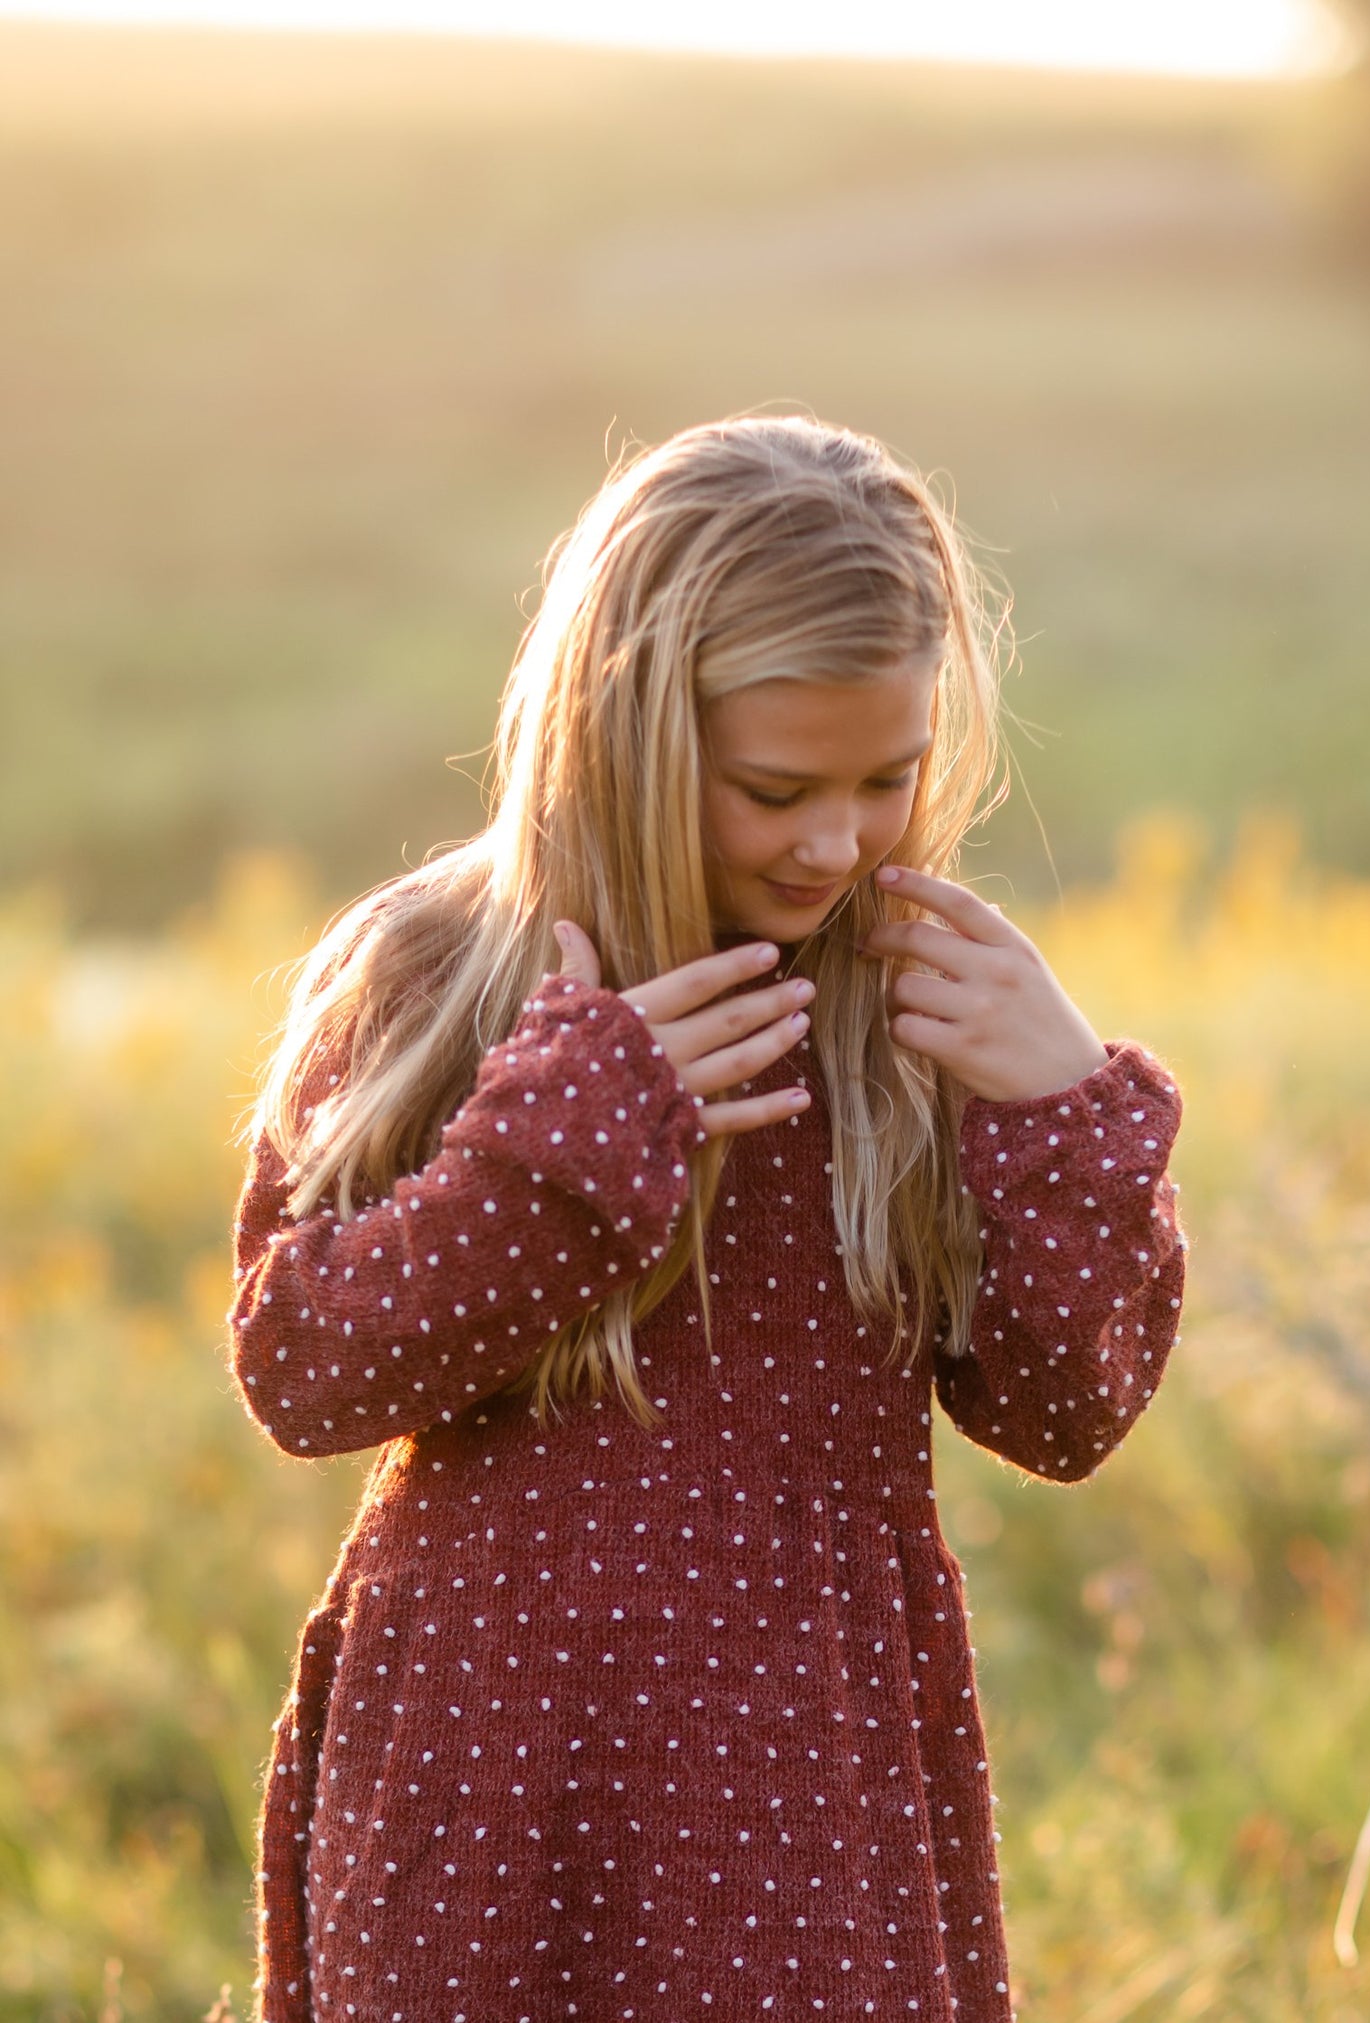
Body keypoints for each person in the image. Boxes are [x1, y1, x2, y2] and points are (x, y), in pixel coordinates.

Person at [226, 412, 1186, 2023]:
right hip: (493, 1774)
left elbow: (1064, 1411)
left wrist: (1058, 1113)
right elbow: (304, 1368)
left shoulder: (905, 1009)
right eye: (774, 788)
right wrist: (565, 1148)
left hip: (811, 1788)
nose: (838, 840)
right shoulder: (441, 973)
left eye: (887, 779)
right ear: (623, 733)